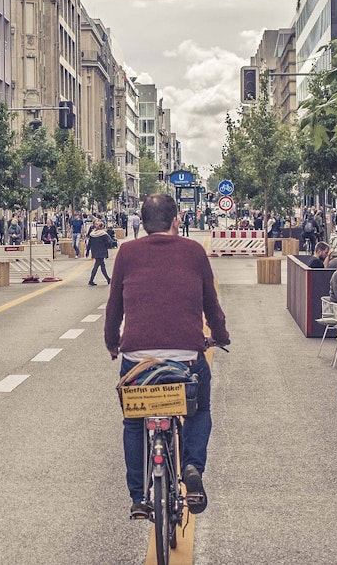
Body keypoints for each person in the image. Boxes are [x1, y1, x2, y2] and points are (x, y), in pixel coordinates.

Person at [104, 195, 228, 519]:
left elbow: (114, 304)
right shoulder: (194, 251)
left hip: (137, 360)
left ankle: (137, 497)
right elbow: (210, 304)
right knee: (199, 411)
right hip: (186, 358)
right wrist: (221, 336)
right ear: (176, 220)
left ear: (142, 223)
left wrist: (112, 342)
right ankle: (191, 466)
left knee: (133, 423)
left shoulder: (127, 252)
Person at [85, 220, 116, 286]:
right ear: (102, 227)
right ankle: (91, 280)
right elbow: (109, 243)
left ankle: (108, 279)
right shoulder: (103, 234)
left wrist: (87, 251)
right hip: (102, 251)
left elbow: (89, 243)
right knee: (97, 266)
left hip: (95, 251)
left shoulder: (92, 234)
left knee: (102, 266)